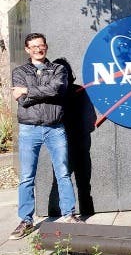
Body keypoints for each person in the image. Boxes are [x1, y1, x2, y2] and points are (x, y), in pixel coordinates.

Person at [9, 33, 82, 240]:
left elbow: (57, 90)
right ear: (27, 49)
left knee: (63, 173)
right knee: (26, 177)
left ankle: (69, 215)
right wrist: (39, 91)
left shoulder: (58, 69)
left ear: (46, 47)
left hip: (55, 128)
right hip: (29, 129)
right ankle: (26, 220)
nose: (38, 49)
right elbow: (22, 100)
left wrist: (28, 90)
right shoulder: (19, 71)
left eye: (40, 46)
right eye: (33, 46)